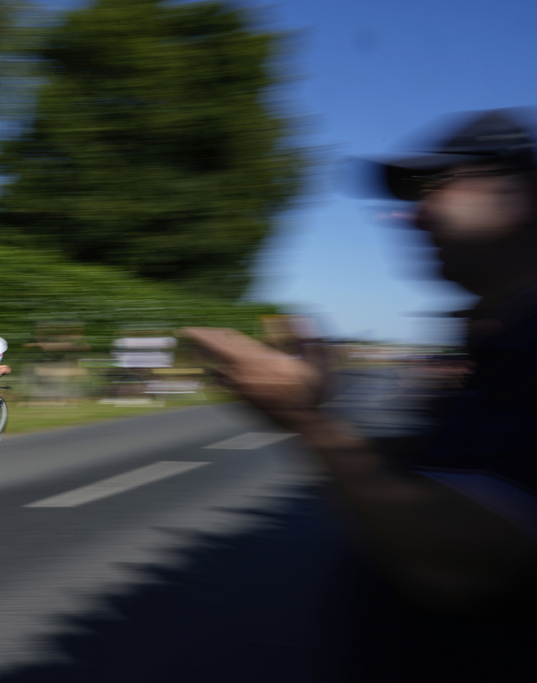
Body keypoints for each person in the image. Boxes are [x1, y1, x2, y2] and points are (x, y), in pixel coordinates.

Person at [178, 109, 537, 616]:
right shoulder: (500, 339)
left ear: (519, 194)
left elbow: (466, 562)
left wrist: (306, 420)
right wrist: (319, 407)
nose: (408, 214)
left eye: (437, 185)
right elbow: (444, 473)